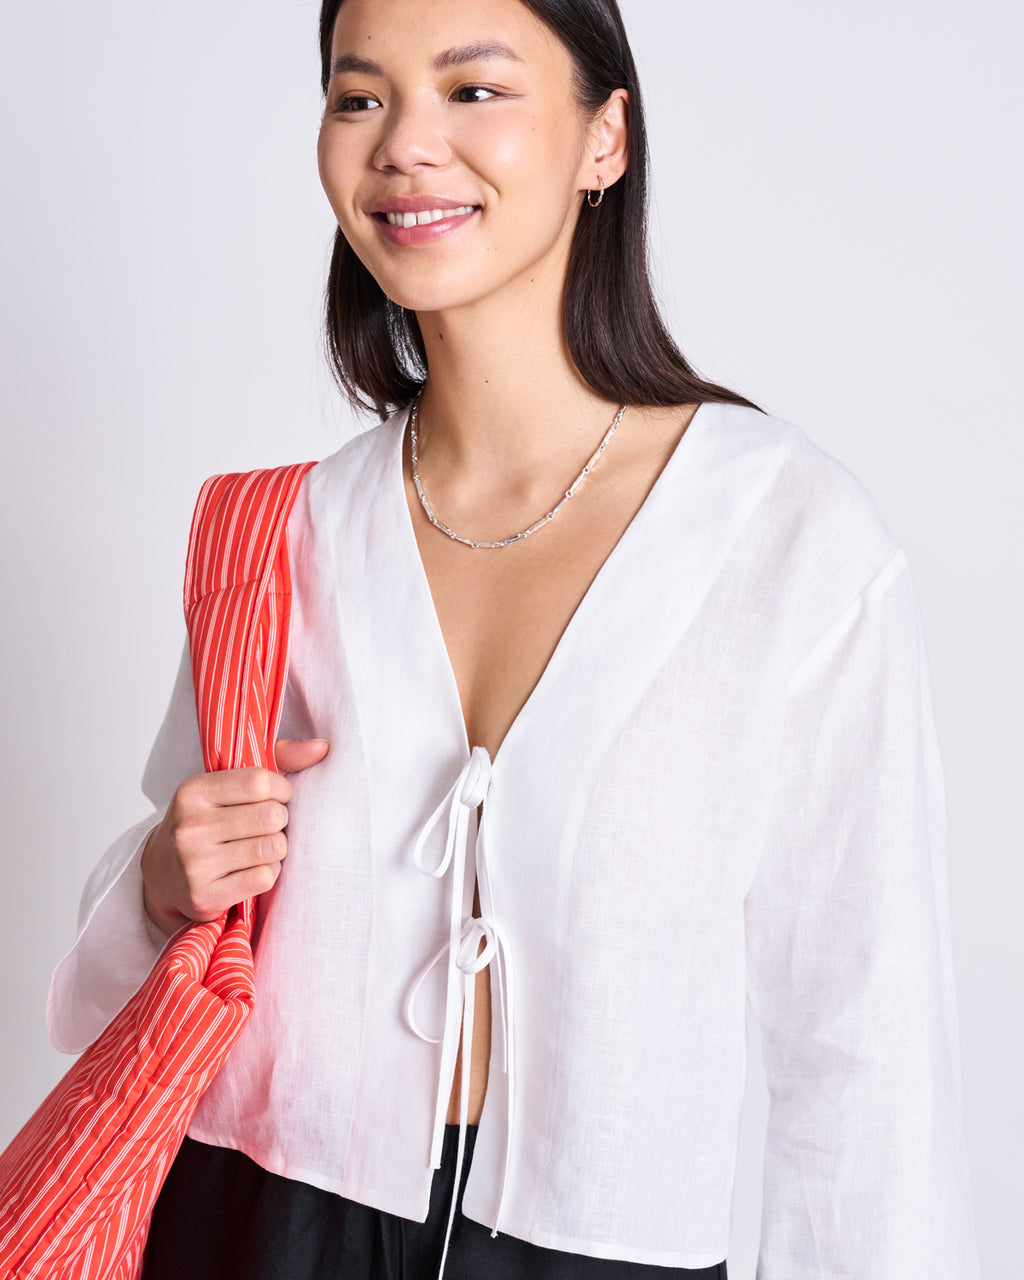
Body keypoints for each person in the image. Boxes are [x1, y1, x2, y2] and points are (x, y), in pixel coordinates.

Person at [46, 0, 981, 1277]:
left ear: (607, 137)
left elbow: (865, 1067)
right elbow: (129, 983)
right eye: (359, 96)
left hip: (596, 1245)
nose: (405, 145)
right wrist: (164, 872)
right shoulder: (283, 535)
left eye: (473, 91)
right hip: (252, 1219)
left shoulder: (790, 539)